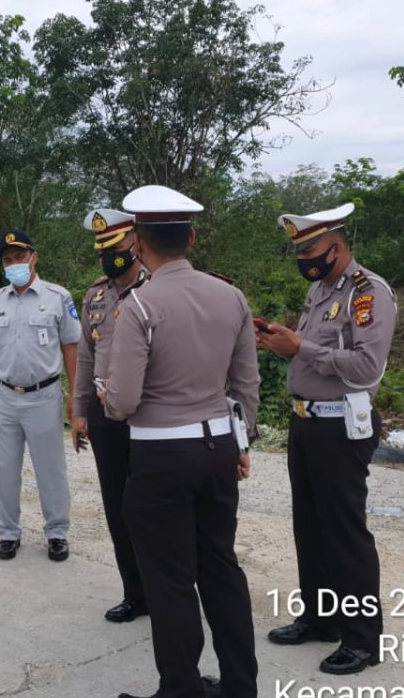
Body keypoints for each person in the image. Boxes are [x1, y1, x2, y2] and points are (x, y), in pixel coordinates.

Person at [104, 186, 259, 698]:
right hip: (217, 446)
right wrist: (241, 444)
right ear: (191, 237)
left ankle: (181, 689)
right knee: (221, 568)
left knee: (170, 580)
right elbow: (246, 384)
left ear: (140, 245)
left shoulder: (141, 306)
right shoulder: (231, 296)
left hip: (160, 455)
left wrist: (105, 396)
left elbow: (124, 401)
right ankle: (239, 686)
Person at [255, 203, 396, 676]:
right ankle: (320, 618)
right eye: (298, 250)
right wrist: (283, 340)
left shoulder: (367, 292)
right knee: (310, 528)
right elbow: (312, 352)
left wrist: (301, 348)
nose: (304, 258)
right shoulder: (320, 289)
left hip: (341, 425)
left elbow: (365, 368)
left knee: (343, 532)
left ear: (337, 246)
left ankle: (361, 640)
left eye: (310, 248)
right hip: (307, 421)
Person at [0, 230, 81, 562]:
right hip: (4, 397)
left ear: (34, 257)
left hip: (43, 396)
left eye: (19, 257)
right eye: (7, 260)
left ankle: (57, 533)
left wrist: (76, 396)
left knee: (50, 469)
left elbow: (71, 349)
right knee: (4, 469)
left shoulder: (57, 297)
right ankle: (8, 533)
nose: (14, 264)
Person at [71, 208, 149, 623]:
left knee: (152, 507)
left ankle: (166, 589)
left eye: (115, 247)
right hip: (104, 416)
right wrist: (79, 409)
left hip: (148, 415)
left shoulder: (157, 290)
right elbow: (86, 356)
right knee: (117, 507)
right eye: (102, 250)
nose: (108, 256)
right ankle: (135, 592)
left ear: (136, 243)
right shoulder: (95, 296)